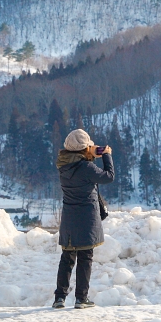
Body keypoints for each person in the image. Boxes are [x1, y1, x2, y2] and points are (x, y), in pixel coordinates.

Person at [53, 128, 114, 309]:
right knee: (85, 257)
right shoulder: (87, 167)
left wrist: (88, 154)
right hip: (86, 218)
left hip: (69, 219)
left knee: (67, 257)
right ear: (83, 148)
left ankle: (59, 298)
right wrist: (106, 155)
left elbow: (80, 168)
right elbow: (108, 177)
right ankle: (81, 298)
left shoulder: (63, 166)